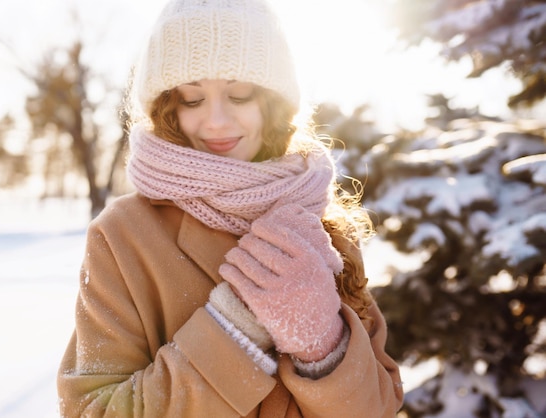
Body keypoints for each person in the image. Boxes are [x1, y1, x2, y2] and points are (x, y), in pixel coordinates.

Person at [57, 0, 404, 416]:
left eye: (239, 93)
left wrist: (323, 346)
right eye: (192, 99)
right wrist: (235, 328)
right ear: (168, 105)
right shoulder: (122, 235)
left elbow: (379, 408)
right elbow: (92, 410)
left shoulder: (319, 220)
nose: (217, 121)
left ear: (274, 103)